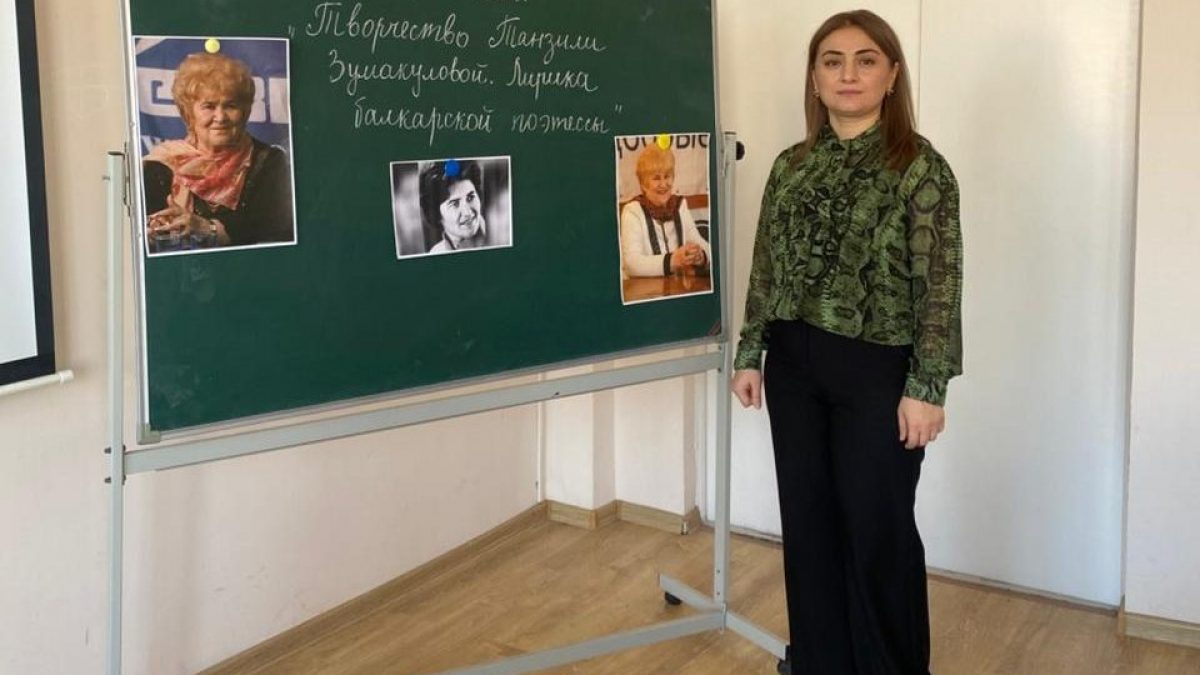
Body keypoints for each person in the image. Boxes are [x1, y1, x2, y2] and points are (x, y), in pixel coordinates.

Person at [731, 10, 962, 675]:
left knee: (877, 531)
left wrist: (927, 387)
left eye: (866, 60)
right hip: (794, 365)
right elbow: (766, 265)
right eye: (832, 61)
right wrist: (750, 351)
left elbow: (940, 286)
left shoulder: (920, 168)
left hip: (877, 370)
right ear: (815, 77)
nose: (848, 74)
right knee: (809, 526)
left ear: (892, 75)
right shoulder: (792, 165)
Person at [143, 51, 293, 252]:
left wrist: (208, 229)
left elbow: (275, 233)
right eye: (209, 106)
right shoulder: (159, 166)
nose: (220, 117)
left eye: (231, 105)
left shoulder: (269, 162)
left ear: (245, 112)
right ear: (189, 113)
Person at [619, 143, 710, 278]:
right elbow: (632, 264)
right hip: (643, 289)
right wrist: (672, 261)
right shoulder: (632, 211)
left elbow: (702, 245)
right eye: (656, 178)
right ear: (643, 184)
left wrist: (700, 256)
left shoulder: (680, 205)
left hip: (676, 287)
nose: (663, 184)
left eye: (667, 176)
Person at [419, 159, 488, 253]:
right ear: (436, 214)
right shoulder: (437, 253)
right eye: (455, 204)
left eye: (470, 197)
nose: (467, 212)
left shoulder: (500, 234)